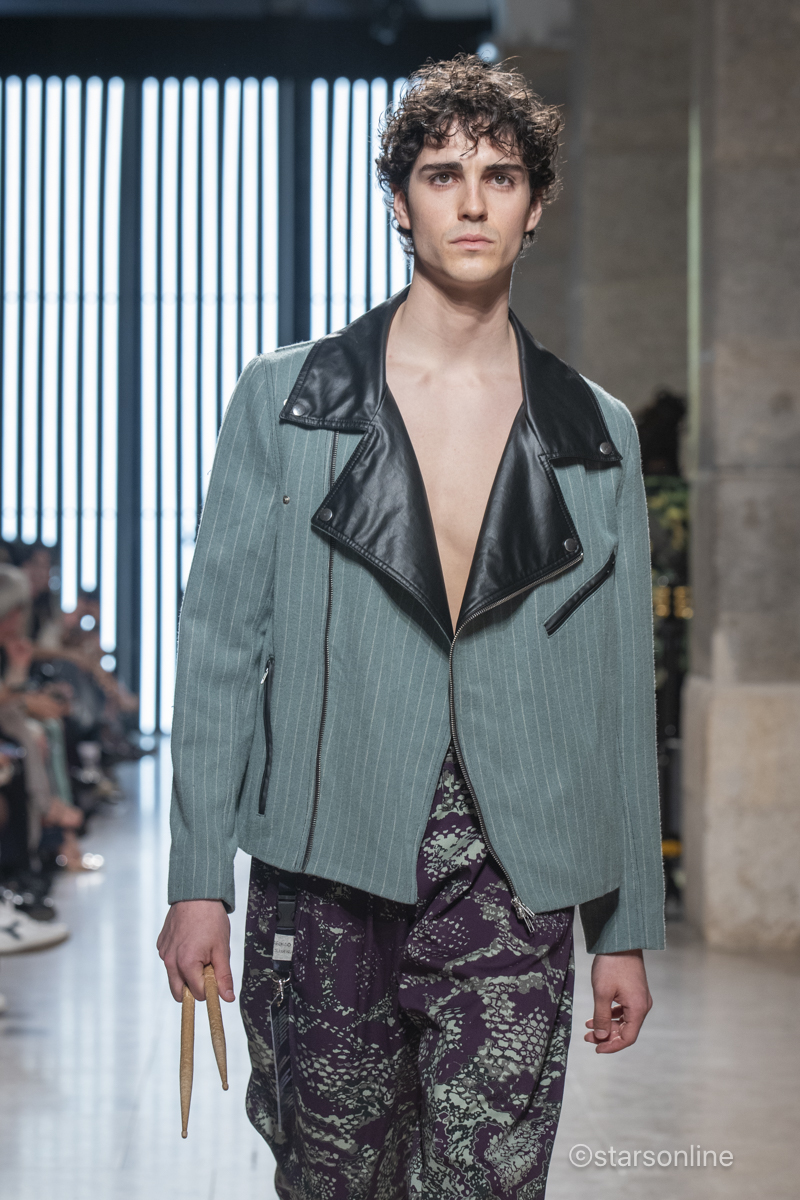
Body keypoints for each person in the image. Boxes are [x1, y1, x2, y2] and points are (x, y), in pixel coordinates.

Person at [158, 55, 664, 1199]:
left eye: (500, 176)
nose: (471, 202)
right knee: (332, 1180)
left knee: (490, 1184)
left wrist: (623, 924)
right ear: (400, 201)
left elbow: (613, 688)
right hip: (324, 868)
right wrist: (197, 879)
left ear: (536, 206)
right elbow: (220, 645)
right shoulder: (286, 402)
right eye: (442, 174)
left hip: (513, 876)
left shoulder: (595, 435)